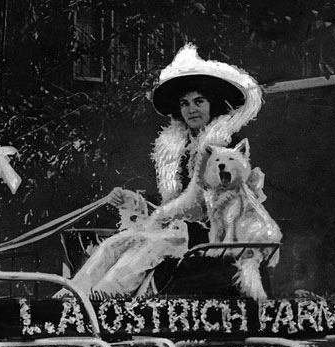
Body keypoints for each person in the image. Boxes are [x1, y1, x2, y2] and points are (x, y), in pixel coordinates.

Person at [66, 44, 264, 297]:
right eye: (185, 103)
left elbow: (198, 203)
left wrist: (161, 218)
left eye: (199, 102)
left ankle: (104, 300)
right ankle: (73, 297)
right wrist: (134, 202)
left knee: (148, 248)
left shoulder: (223, 149)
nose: (191, 109)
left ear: (212, 105)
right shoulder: (177, 150)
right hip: (179, 228)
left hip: (212, 233)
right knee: (115, 244)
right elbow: (170, 202)